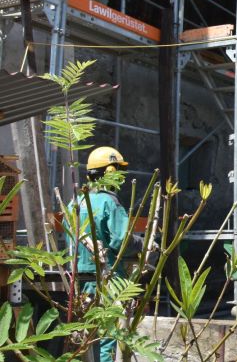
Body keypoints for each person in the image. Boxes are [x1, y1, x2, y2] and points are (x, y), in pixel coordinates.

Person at [66, 146, 134, 362]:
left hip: (78, 279)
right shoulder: (109, 202)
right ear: (110, 172)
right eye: (119, 172)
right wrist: (144, 243)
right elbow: (121, 241)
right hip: (108, 279)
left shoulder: (74, 202)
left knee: (82, 334)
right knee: (107, 336)